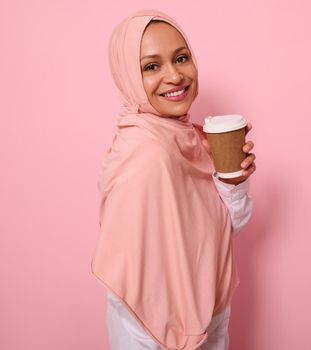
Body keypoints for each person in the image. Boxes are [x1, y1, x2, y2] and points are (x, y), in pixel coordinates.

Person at [90, 9, 255, 350]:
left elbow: (224, 229)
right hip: (152, 328)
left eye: (181, 58)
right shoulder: (144, 151)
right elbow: (139, 266)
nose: (174, 76)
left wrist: (232, 180)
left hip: (206, 310)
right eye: (151, 66)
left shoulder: (189, 139)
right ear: (128, 76)